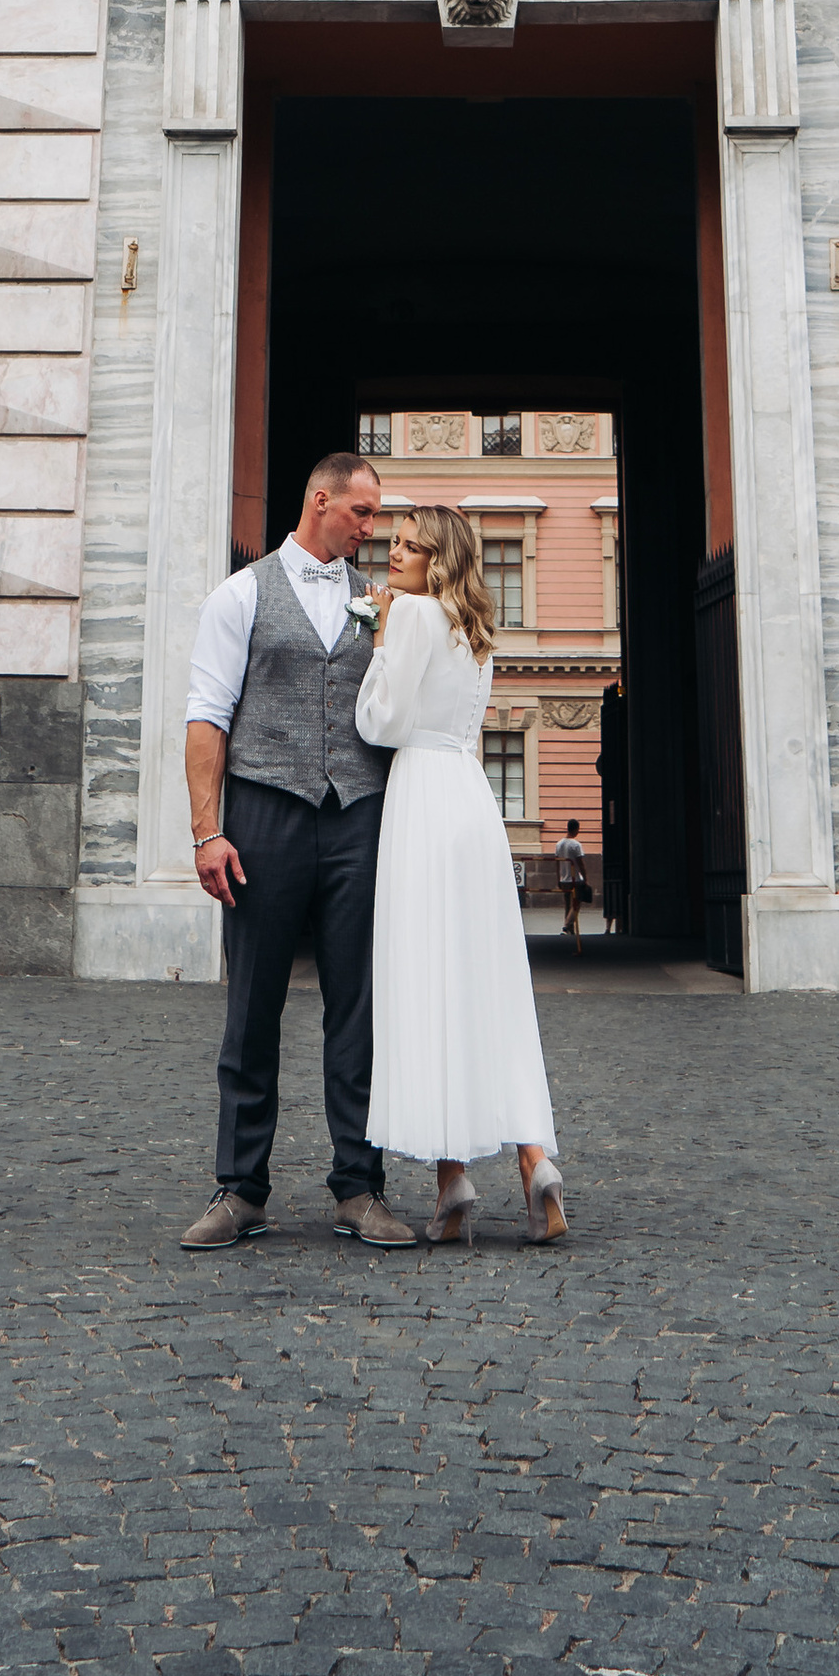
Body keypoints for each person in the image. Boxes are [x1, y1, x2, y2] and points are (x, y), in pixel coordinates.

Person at [179, 450, 417, 1251]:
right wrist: (208, 831)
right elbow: (207, 716)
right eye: (363, 512)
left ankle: (360, 1187)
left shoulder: (381, 603)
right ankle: (240, 1189)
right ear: (321, 501)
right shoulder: (240, 594)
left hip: (359, 815)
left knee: (359, 1006)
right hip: (264, 814)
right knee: (253, 1006)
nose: (372, 528)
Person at [358, 507, 567, 1244]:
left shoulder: (413, 616)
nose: (395, 553)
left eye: (412, 546)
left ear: (439, 559)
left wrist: (379, 642)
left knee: (429, 982)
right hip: (472, 800)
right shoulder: (476, 632)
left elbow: (381, 724)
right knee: (487, 983)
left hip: (421, 801)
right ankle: (534, 1162)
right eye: (394, 541)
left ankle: (453, 1179)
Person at [554, 817, 591, 954]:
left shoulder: (559, 844)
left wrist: (558, 879)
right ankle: (566, 926)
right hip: (575, 879)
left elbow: (557, 863)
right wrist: (585, 878)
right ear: (576, 829)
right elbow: (581, 863)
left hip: (564, 879)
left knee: (567, 904)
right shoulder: (576, 845)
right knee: (576, 903)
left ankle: (570, 929)